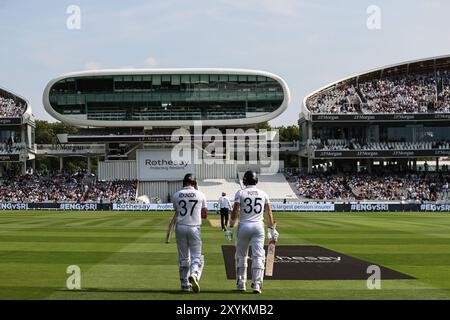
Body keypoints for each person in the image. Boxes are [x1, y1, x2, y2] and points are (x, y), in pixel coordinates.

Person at [225, 170, 279, 294]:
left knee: (241, 256)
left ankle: (241, 283)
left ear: (245, 180)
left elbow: (234, 212)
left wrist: (230, 228)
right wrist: (272, 229)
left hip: (244, 226)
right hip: (258, 227)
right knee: (258, 256)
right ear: (256, 180)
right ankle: (257, 284)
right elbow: (269, 213)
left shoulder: (241, 192)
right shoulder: (263, 193)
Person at [171, 173, 208, 293]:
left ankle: (184, 284)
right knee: (196, 256)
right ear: (194, 183)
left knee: (183, 257)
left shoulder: (176, 195)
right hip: (194, 227)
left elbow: (177, 210)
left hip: (180, 227)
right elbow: (205, 215)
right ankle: (194, 274)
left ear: (184, 182)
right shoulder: (200, 194)